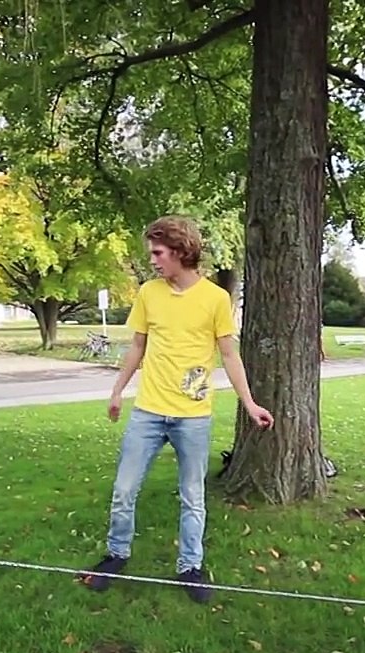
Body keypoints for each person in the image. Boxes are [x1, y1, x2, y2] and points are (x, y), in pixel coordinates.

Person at [80, 215, 274, 604]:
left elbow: (230, 355)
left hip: (193, 417)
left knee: (192, 496)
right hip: (148, 413)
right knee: (123, 490)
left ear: (181, 251)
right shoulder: (149, 293)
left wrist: (249, 403)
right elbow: (137, 346)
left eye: (157, 252)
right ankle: (116, 555)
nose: (152, 260)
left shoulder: (216, 299)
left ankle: (191, 566)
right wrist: (117, 391)